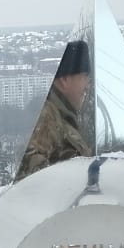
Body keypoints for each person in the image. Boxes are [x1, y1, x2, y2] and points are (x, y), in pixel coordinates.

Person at [16, 39, 93, 178]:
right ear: (64, 80)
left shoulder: (62, 116)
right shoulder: (47, 118)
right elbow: (31, 175)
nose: (87, 86)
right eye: (84, 77)